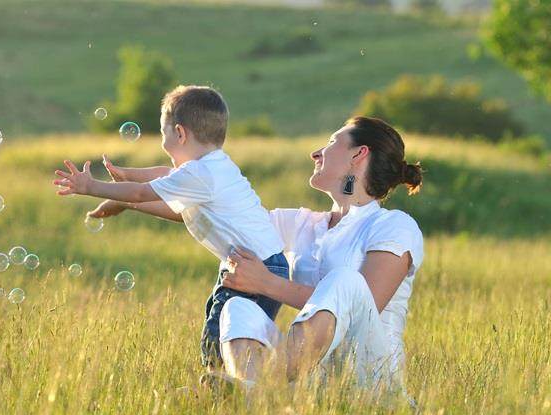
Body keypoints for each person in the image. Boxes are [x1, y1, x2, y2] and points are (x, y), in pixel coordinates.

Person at [52, 85, 288, 366]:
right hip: (263, 264)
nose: (164, 146)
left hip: (256, 268)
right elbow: (167, 177)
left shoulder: (201, 174)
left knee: (219, 332)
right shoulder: (214, 166)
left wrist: (91, 186)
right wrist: (127, 177)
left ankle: (221, 387)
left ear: (179, 133)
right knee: (224, 320)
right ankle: (240, 383)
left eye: (164, 136)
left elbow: (143, 192)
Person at [216, 116, 424, 394]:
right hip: (310, 384)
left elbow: (367, 303)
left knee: (346, 281)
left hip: (368, 381)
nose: (316, 153)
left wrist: (266, 283)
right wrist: (143, 192)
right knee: (239, 310)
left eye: (330, 143)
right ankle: (257, 395)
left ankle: (263, 392)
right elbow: (228, 216)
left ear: (359, 154)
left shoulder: (395, 225)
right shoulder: (305, 224)